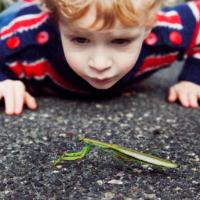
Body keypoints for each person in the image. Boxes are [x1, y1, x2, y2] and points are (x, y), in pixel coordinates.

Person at [0, 0, 200, 115]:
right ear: (57, 23)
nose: (100, 64)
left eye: (121, 41)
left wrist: (193, 78)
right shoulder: (23, 41)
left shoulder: (165, 33)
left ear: (148, 26)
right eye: (80, 39)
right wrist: (4, 80)